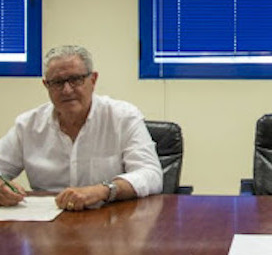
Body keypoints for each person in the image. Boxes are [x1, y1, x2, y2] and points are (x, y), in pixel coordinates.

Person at [0, 45, 163, 210]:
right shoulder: (27, 126)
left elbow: (151, 174)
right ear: (46, 85)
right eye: (57, 82)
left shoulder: (123, 117)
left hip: (109, 218)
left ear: (93, 80)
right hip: (46, 220)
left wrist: (104, 190)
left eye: (75, 79)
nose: (67, 90)